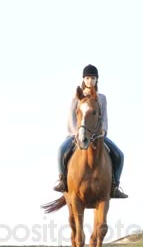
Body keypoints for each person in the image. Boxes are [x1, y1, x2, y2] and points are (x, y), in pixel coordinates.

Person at [53, 64, 128, 199]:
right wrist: (75, 132)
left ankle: (115, 186)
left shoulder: (101, 98)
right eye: (87, 78)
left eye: (93, 78)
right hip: (77, 134)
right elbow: (71, 116)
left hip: (97, 135)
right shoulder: (77, 97)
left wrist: (104, 130)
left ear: (96, 80)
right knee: (61, 150)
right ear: (83, 79)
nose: (90, 81)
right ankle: (62, 181)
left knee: (120, 155)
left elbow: (104, 116)